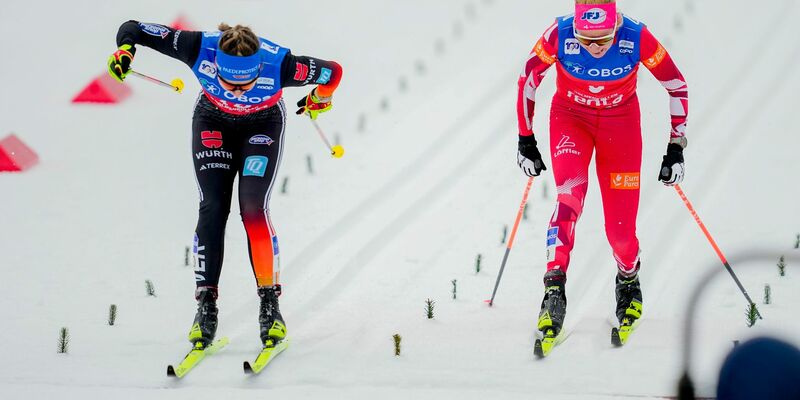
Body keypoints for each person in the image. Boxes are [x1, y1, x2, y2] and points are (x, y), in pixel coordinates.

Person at [108, 21, 342, 349]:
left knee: (253, 208)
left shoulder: (282, 64)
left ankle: (269, 304)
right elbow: (134, 28)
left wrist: (319, 97)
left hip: (263, 125)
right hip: (212, 120)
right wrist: (124, 51)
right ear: (215, 65)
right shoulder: (195, 46)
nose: (237, 91)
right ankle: (205, 306)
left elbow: (332, 72)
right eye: (229, 83)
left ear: (259, 68)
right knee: (213, 207)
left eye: (246, 84)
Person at [515, 0, 688, 341]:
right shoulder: (559, 32)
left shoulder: (637, 37)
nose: (594, 49)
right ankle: (553, 289)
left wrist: (675, 148)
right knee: (569, 201)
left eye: (604, 40)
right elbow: (528, 79)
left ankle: (628, 277)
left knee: (620, 233)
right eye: (585, 40)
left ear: (616, 28)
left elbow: (676, 85)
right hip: (570, 121)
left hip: (620, 127)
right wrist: (525, 139)